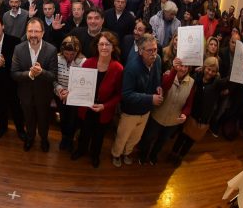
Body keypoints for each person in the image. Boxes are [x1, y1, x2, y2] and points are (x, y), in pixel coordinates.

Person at [72, 32, 123, 168]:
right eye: (101, 44)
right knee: (84, 131)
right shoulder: (89, 62)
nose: (104, 47)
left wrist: (104, 106)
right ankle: (81, 150)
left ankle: (95, 155)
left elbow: (119, 94)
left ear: (113, 47)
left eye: (108, 44)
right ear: (97, 46)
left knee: (99, 136)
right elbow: (78, 85)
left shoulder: (118, 68)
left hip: (103, 110)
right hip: (86, 107)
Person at [111, 33, 162, 167]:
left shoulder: (158, 60)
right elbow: (126, 94)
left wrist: (158, 87)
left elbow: (157, 78)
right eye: (149, 50)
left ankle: (127, 153)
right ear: (140, 51)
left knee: (135, 137)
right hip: (130, 112)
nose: (153, 54)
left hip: (145, 110)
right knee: (123, 136)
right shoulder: (132, 68)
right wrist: (151, 98)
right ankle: (116, 154)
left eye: (155, 49)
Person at [11, 18, 58, 153]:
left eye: (36, 31)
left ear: (43, 33)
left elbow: (53, 76)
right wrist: (30, 74)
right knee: (29, 119)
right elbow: (14, 73)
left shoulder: (51, 50)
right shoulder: (18, 49)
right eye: (30, 31)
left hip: (43, 95)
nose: (33, 35)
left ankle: (44, 139)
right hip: (25, 95)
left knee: (44, 120)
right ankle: (30, 138)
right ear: (26, 33)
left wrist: (41, 72)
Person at [170, 57, 227, 166]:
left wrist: (241, 70)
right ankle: (173, 153)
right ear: (204, 67)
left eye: (213, 71)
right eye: (208, 69)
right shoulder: (196, 77)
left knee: (190, 140)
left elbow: (229, 81)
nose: (210, 72)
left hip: (202, 119)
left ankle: (180, 156)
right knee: (182, 136)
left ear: (216, 73)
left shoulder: (216, 83)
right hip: (191, 114)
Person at [138, 58, 194, 165]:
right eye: (181, 65)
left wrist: (184, 114)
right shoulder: (168, 74)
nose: (183, 69)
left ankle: (153, 155)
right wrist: (174, 70)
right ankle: (143, 154)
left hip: (173, 120)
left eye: (186, 66)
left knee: (162, 140)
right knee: (149, 137)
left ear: (189, 68)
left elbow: (189, 104)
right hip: (158, 115)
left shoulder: (191, 83)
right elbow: (165, 86)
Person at [53, 36, 86, 151]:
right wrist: (60, 90)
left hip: (75, 97)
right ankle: (64, 138)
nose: (69, 57)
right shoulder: (56, 58)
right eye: (66, 54)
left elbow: (84, 83)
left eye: (72, 54)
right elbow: (53, 78)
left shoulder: (83, 61)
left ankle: (70, 139)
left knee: (73, 119)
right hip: (60, 94)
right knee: (63, 118)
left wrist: (71, 93)